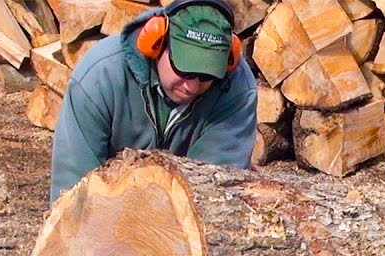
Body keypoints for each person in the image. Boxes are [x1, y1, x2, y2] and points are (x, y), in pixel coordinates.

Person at [49, 0, 257, 201]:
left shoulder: (236, 88)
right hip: (107, 207)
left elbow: (213, 194)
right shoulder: (100, 76)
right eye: (185, 70)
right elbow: (72, 182)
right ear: (156, 43)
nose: (192, 86)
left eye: (207, 76)